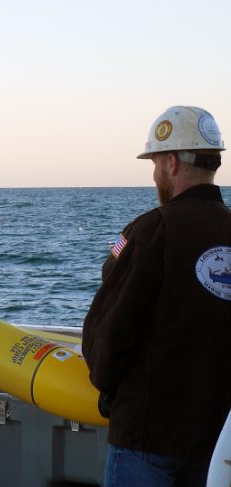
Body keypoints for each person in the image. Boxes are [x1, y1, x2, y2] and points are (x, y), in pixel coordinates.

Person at [82, 106, 231, 487]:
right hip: (217, 443)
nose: (154, 175)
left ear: (170, 163)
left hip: (147, 436)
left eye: (154, 164)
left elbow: (108, 332)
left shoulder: (150, 233)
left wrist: (106, 388)